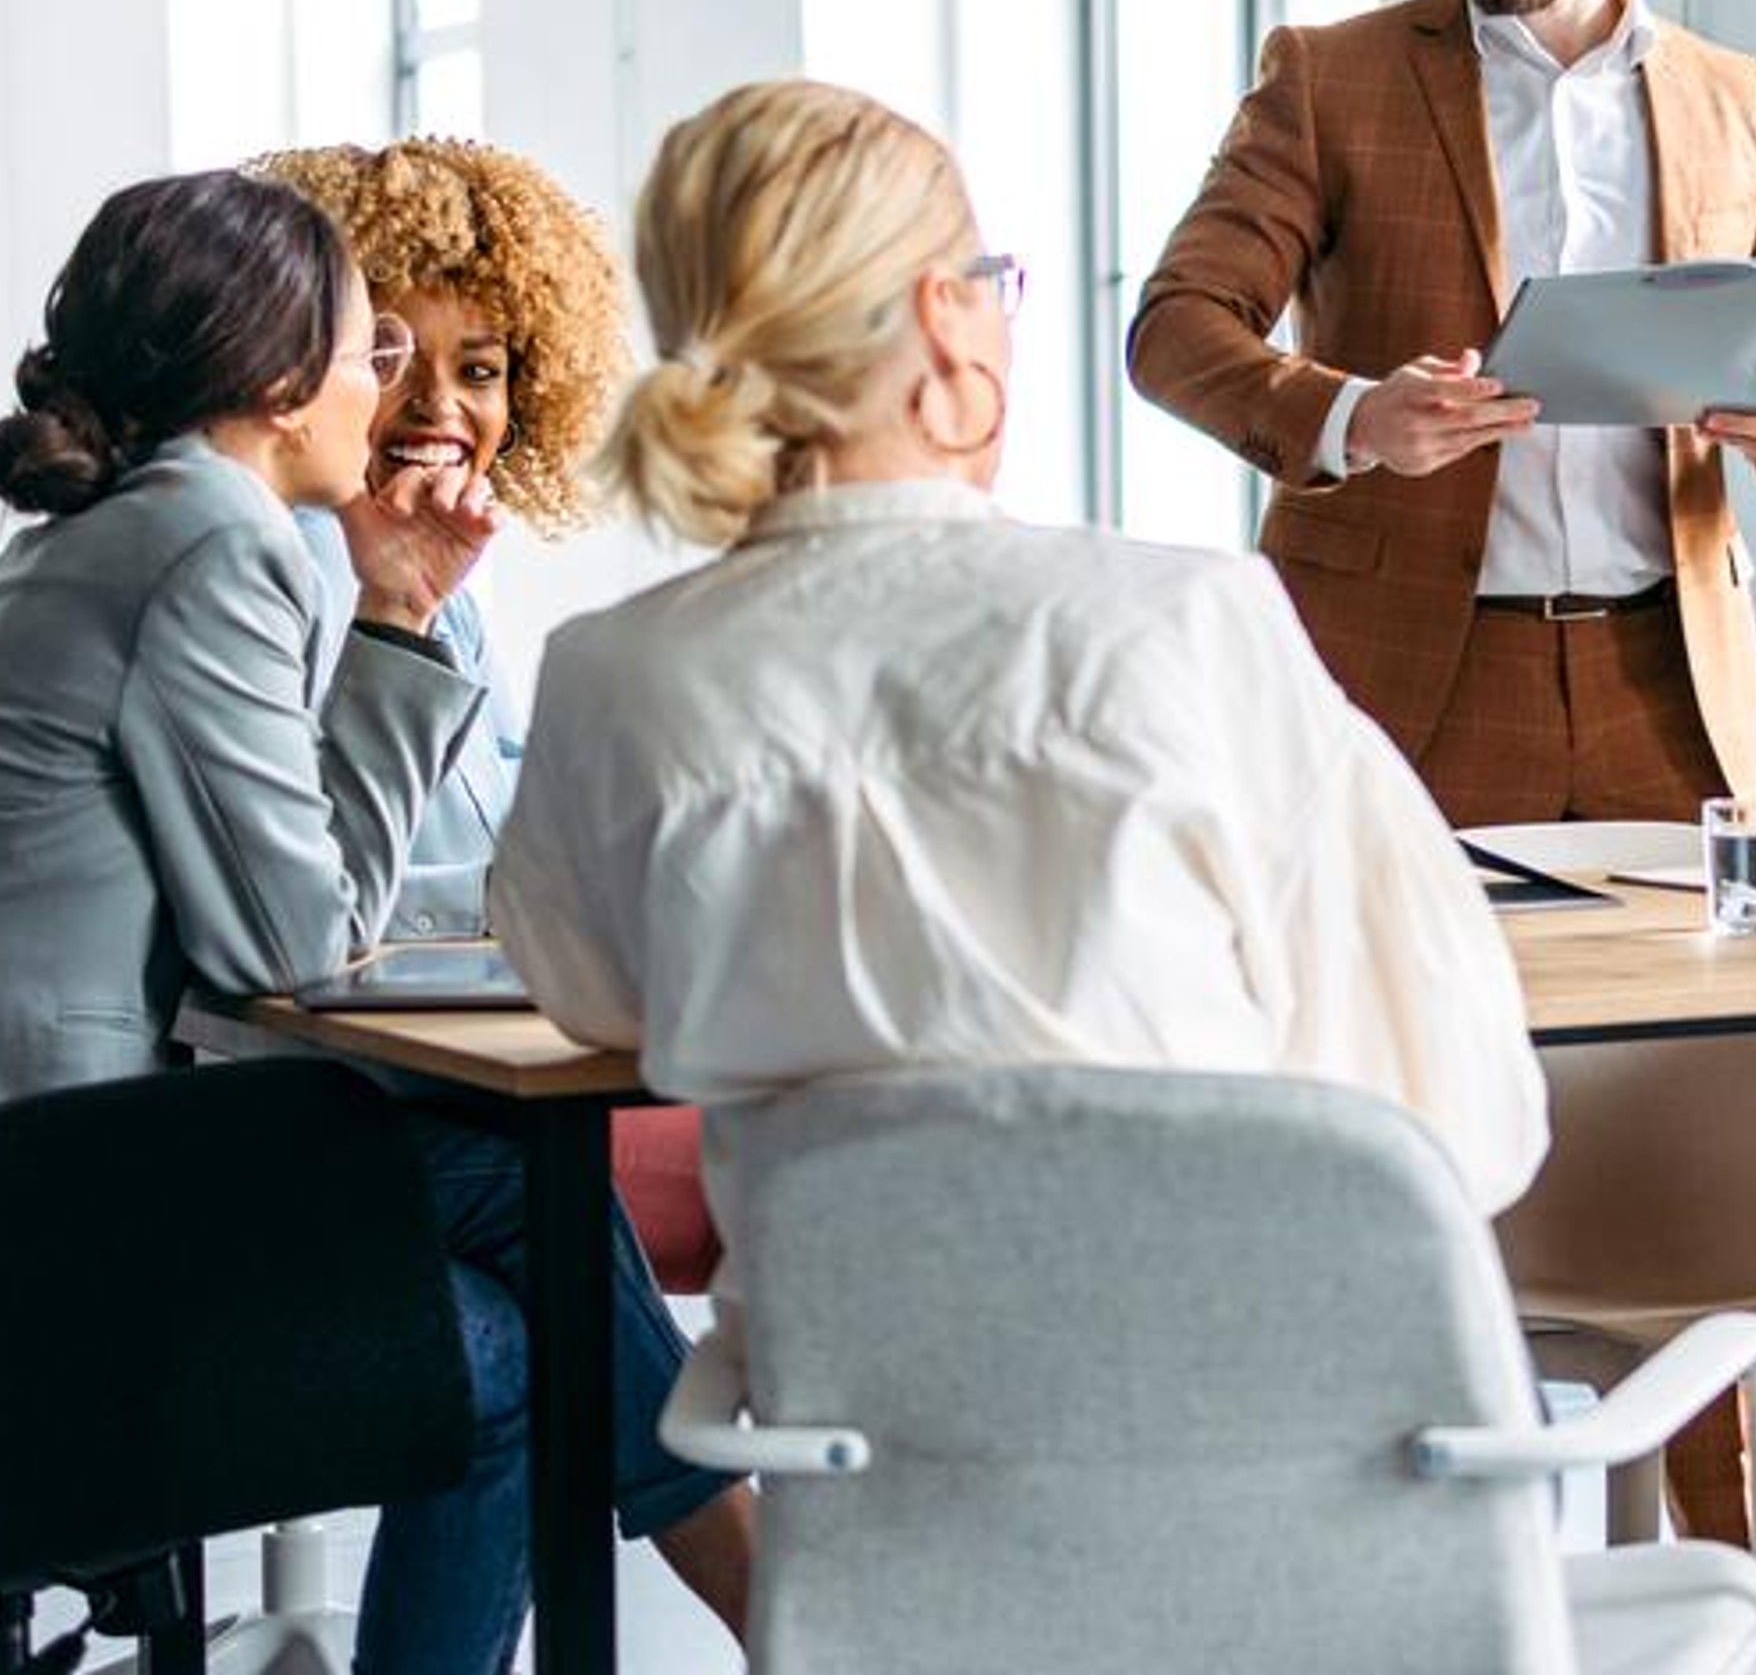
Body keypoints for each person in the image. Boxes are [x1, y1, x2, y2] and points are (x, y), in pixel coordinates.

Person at [0, 170, 744, 1675]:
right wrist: (393, 631)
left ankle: (752, 1576)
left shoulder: (118, 528)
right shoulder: (217, 538)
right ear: (279, 381)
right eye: (369, 348)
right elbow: (291, 943)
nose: (388, 384)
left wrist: (398, 612)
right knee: (526, 1298)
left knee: (511, 1225)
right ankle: (761, 1580)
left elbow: (274, 907)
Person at [1128, 0, 1756, 1661]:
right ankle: (1412, 1588)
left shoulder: (1735, 91)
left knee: (1700, 1160)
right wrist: (1351, 413)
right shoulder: (1333, 76)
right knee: (1396, 1140)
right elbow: (1174, 325)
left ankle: (1745, 1607)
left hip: (1659, 689)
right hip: (1394, 701)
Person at [490, 77, 1550, 1411]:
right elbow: (1452, 1101)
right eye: (992, 278)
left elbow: (601, 1003)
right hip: (1281, 1478)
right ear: (946, 319)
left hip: (880, 1523)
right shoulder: (1190, 621)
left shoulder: (614, 678)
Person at [248, 137, 632, 937]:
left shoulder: (439, 583)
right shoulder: (281, 565)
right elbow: (309, 893)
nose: (439, 405)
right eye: (392, 362)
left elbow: (512, 804)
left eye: (480, 372)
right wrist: (513, 899)